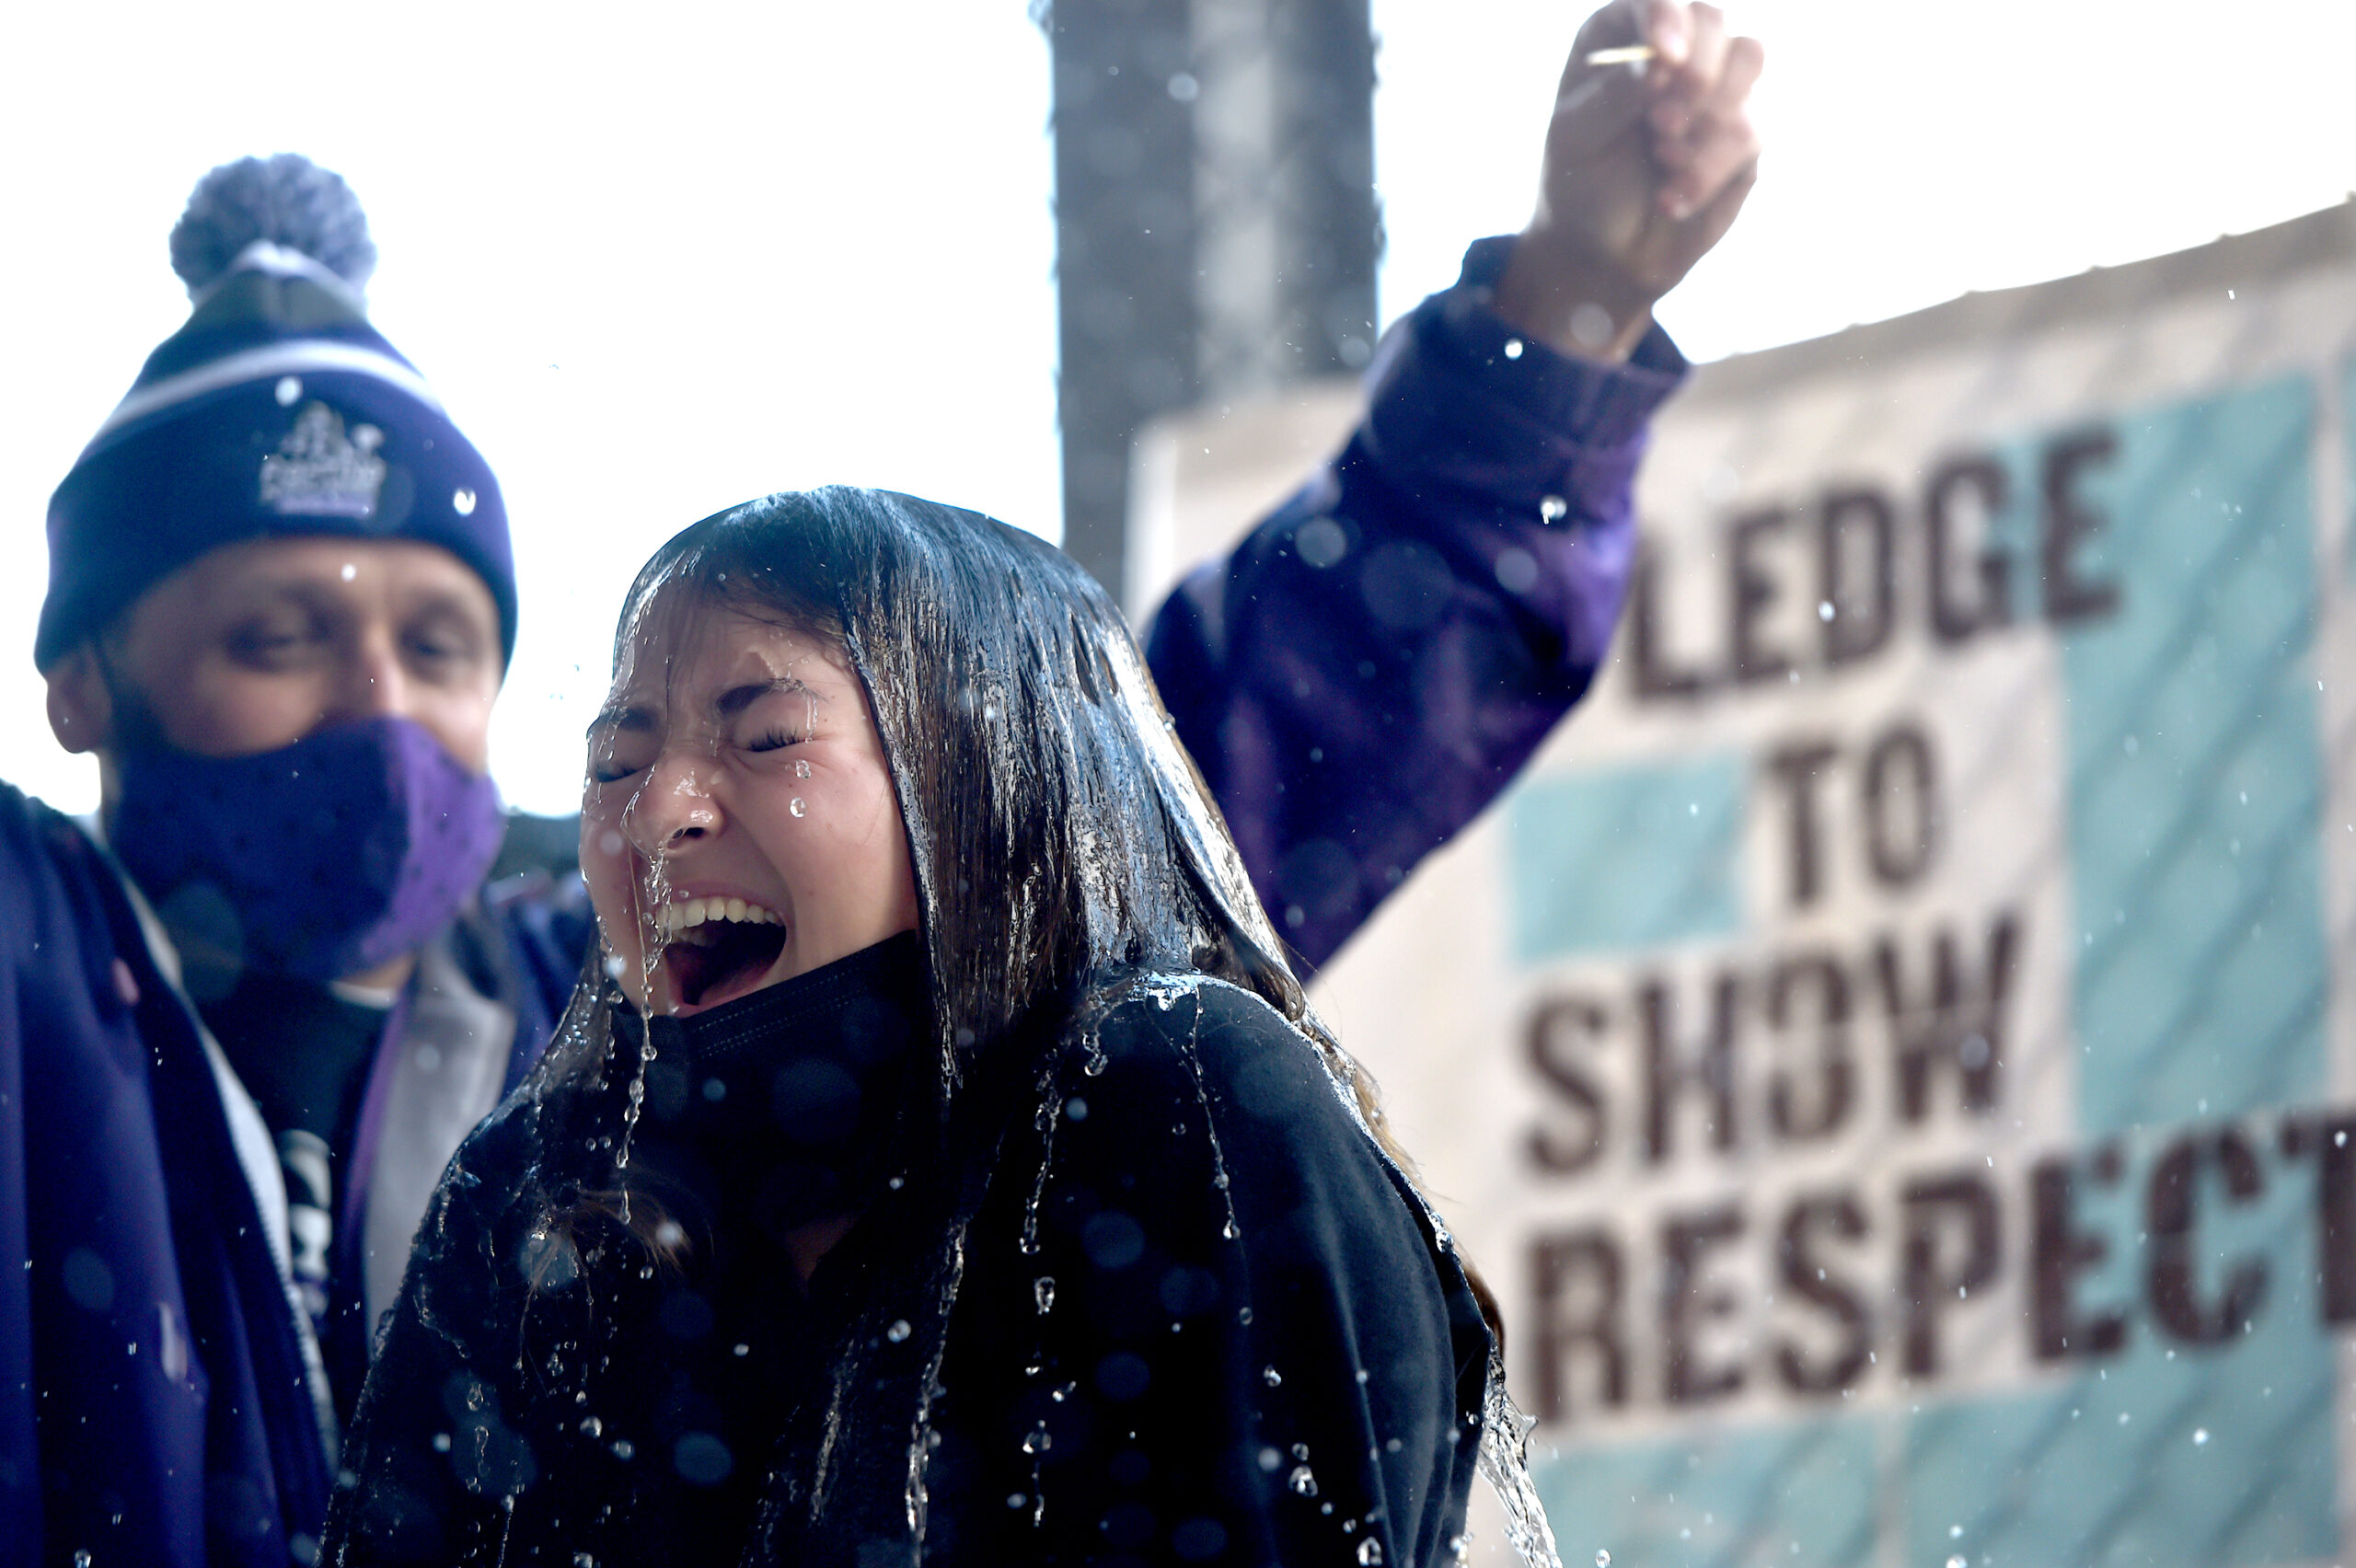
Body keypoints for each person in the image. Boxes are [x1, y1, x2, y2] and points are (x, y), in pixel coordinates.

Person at [0, 1, 1760, 1562]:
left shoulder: (637, 1030)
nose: (381, 705)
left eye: (442, 644)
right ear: (81, 678)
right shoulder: (108, 1013)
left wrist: (1550, 338)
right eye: (280, 635)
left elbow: (1159, 766)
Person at [326, 486, 1501, 1567]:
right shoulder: (540, 1196)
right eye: (616, 762)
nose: (655, 811)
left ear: (990, 787)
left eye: (768, 737)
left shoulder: (1169, 1100)